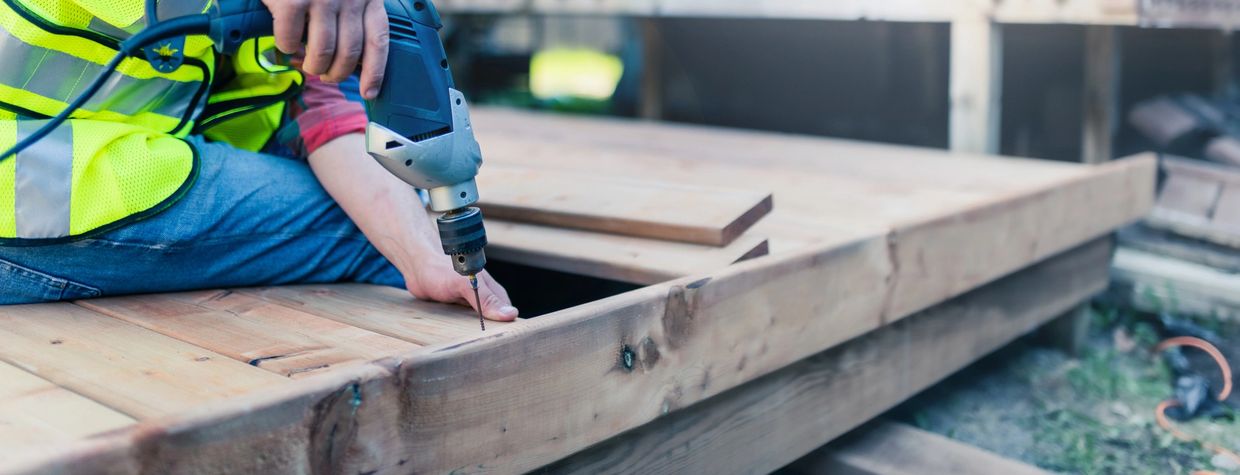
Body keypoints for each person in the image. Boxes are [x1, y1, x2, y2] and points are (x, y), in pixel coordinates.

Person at [0, 0, 519, 322]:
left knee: (395, 229)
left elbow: (317, 105)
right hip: (27, 186)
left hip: (62, 173)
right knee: (361, 238)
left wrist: (421, 255)